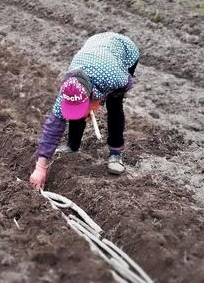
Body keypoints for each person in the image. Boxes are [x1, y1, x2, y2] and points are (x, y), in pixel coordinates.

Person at [30, 32, 140, 191]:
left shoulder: (113, 77)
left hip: (123, 51)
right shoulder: (68, 88)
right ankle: (73, 145)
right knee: (75, 109)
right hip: (94, 47)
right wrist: (41, 167)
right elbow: (53, 127)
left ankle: (116, 153)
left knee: (114, 105)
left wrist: (96, 103)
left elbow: (126, 84)